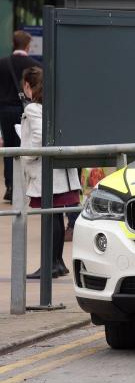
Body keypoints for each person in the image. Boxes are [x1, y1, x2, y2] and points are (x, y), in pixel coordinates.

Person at [20, 67, 82, 279]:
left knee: (51, 218)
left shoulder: (33, 109)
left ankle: (50, 264)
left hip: (47, 172)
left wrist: (26, 156)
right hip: (62, 172)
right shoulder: (55, 105)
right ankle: (57, 262)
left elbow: (38, 138)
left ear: (28, 85)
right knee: (55, 216)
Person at [0, 30, 41, 203]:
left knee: (10, 150)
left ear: (13, 44)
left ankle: (10, 186)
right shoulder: (34, 66)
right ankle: (24, 186)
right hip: (26, 110)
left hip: (5, 110)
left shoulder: (2, 63)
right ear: (28, 46)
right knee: (25, 147)